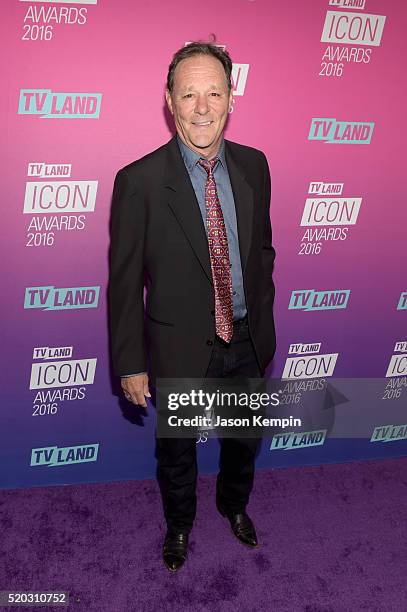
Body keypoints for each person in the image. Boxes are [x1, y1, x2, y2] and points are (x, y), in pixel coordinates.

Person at [108, 42, 276, 572]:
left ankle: (234, 507)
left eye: (214, 93)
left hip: (247, 339)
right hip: (179, 345)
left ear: (231, 99)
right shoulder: (139, 182)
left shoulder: (255, 165)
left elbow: (262, 249)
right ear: (169, 102)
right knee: (177, 450)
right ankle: (180, 524)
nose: (202, 108)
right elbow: (124, 281)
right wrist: (131, 362)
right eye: (188, 95)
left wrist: (261, 318)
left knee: (244, 440)